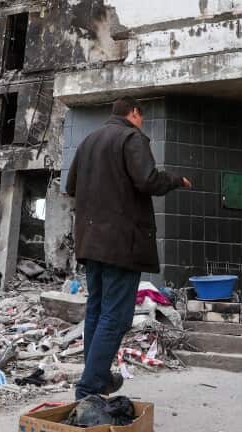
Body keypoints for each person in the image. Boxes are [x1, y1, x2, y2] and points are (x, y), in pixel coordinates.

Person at [65, 97, 191, 400]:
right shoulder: (131, 137)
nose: (142, 123)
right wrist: (175, 180)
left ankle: (96, 379)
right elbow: (147, 180)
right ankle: (89, 386)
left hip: (90, 241)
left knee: (96, 309)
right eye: (141, 117)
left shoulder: (88, 142)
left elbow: (71, 187)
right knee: (117, 316)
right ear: (133, 113)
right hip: (121, 243)